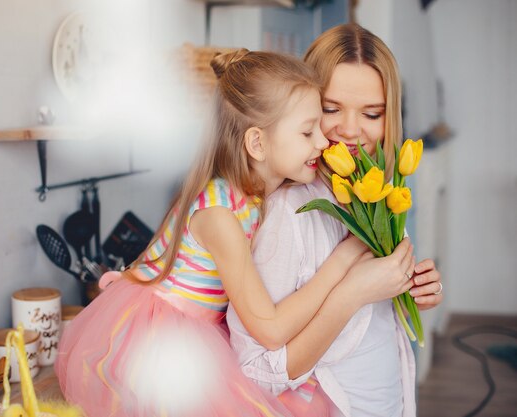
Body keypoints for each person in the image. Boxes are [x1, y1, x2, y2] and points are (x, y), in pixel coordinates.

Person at [55, 48, 409, 417]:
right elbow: (269, 330)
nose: (322, 142)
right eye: (308, 131)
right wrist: (345, 259)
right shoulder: (220, 215)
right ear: (257, 143)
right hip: (157, 343)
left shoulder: (260, 197)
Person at [227, 23, 443, 417]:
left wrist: (408, 289)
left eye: (372, 113)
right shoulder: (289, 213)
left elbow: (367, 330)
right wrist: (352, 294)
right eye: (330, 109)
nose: (349, 129)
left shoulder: (375, 192)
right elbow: (256, 371)